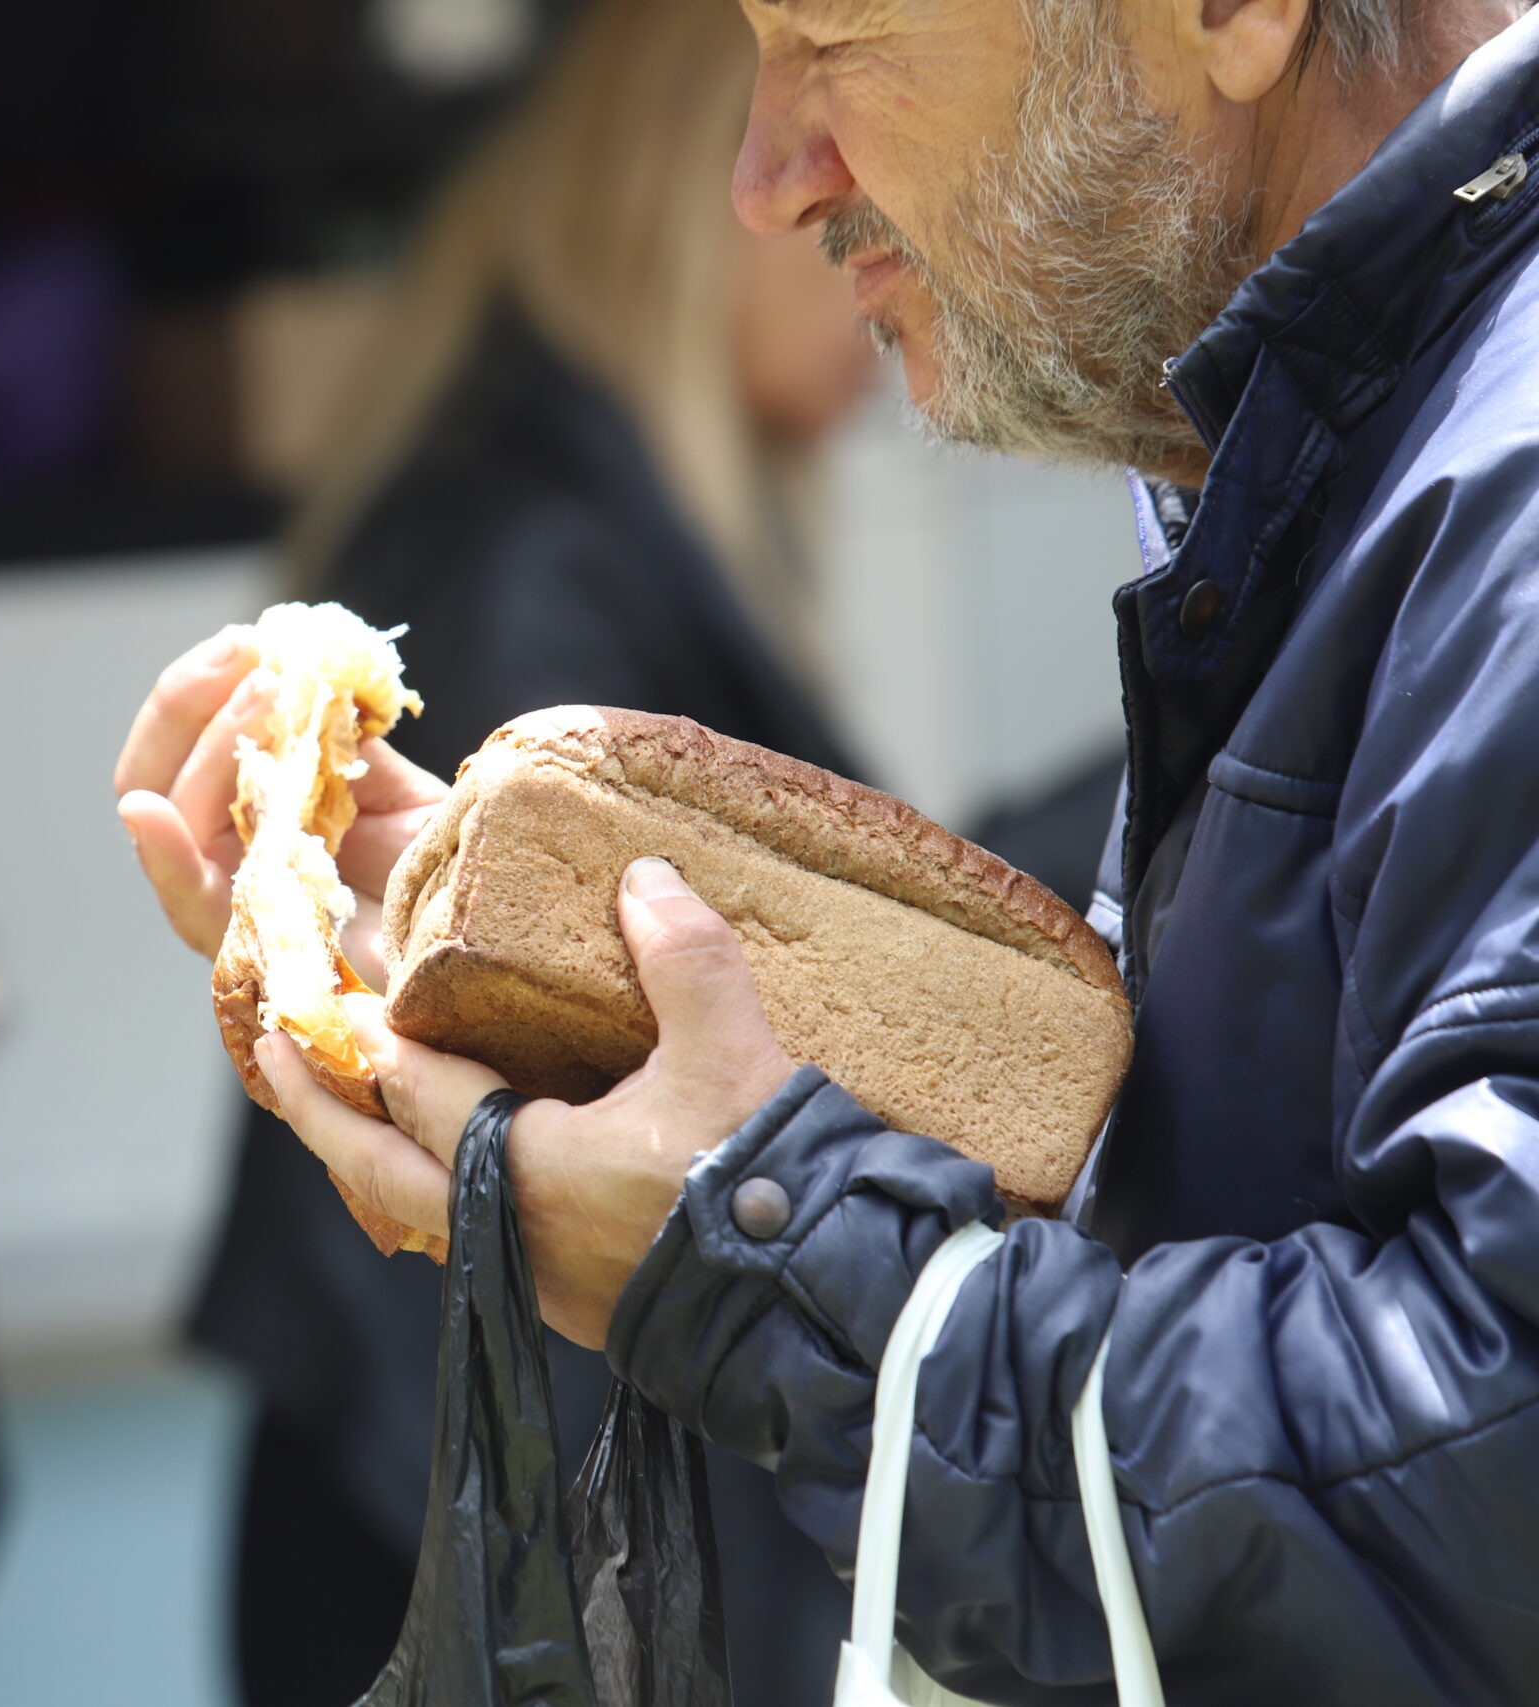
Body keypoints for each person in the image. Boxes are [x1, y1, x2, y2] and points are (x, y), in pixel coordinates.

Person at [122, 0, 1539, 1698]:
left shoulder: (1493, 491)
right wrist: (572, 1034)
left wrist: (761, 1259)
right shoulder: (1327, 464)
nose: (766, 177)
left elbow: (1477, 1473)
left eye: (832, 36)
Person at [176, 0, 876, 1700]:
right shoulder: (543, 559)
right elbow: (555, 1100)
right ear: (693, 185)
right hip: (484, 1527)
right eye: (845, 188)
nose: (870, 235)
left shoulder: (577, 512)